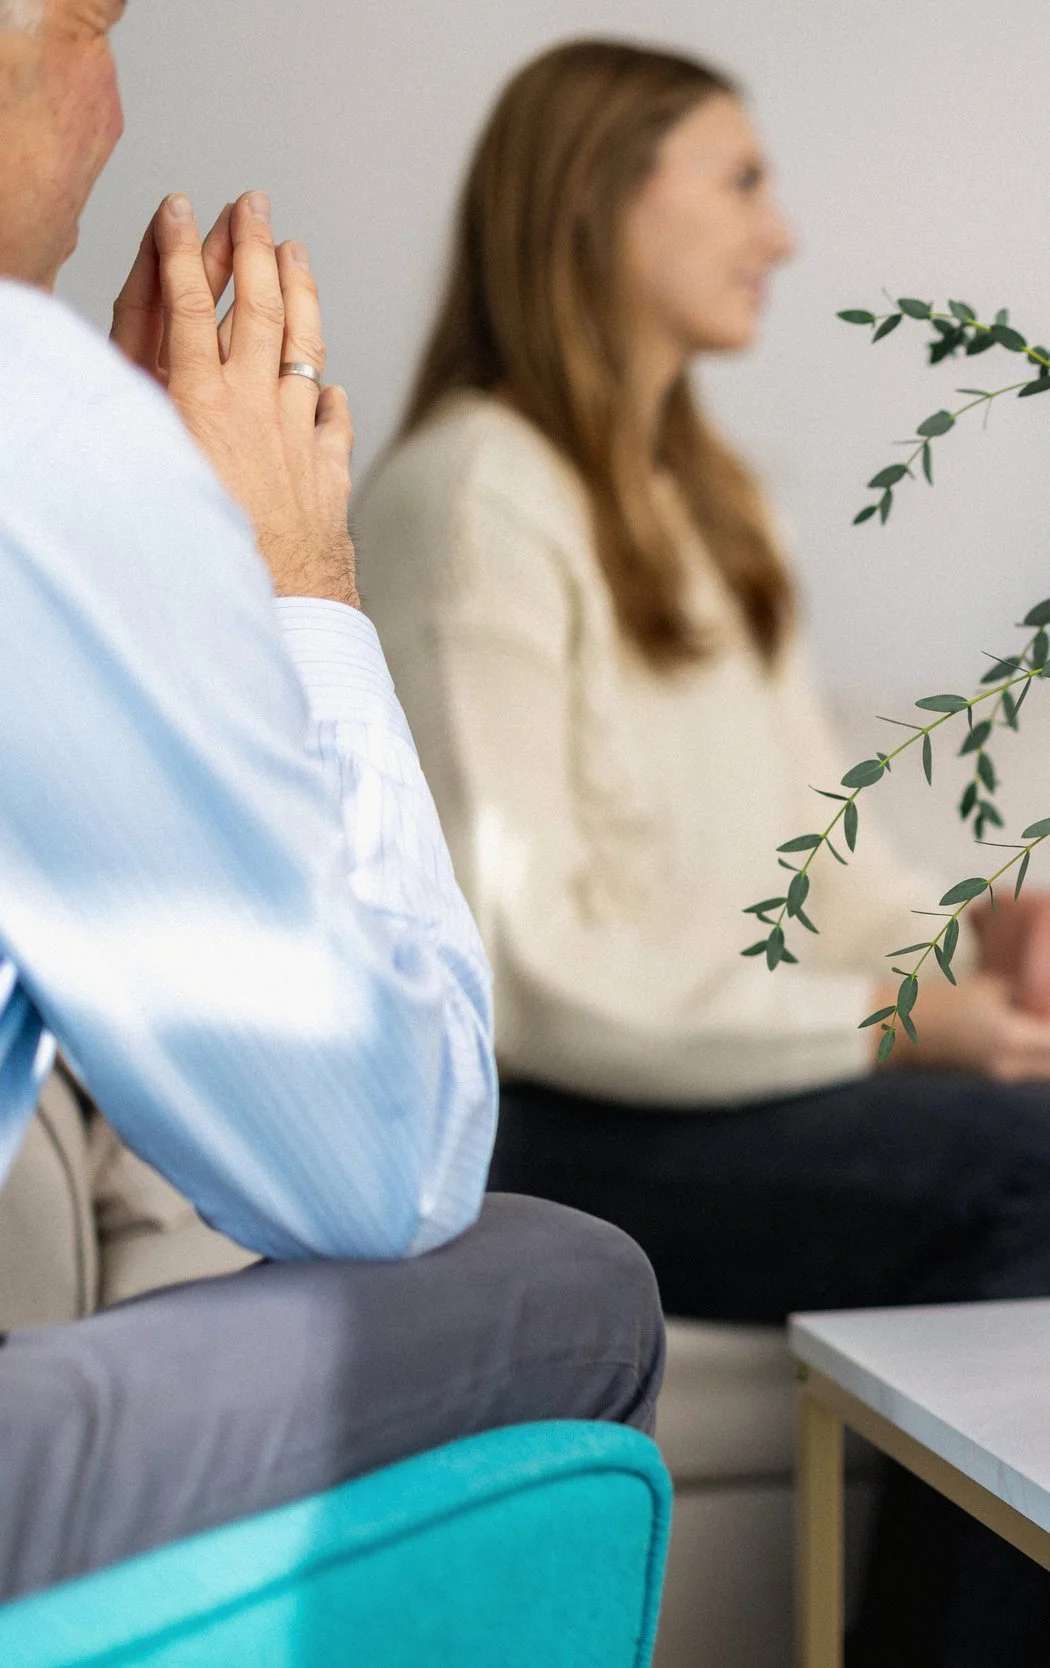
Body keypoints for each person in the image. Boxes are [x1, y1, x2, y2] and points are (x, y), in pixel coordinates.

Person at [351, 39, 1050, 1666]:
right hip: (552, 1113)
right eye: (741, 183)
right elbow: (523, 971)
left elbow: (821, 857)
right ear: (601, 201)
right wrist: (893, 1021)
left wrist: (981, 936)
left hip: (702, 1082)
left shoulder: (708, 499)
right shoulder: (471, 495)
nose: (782, 234)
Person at [0, 0, 662, 1601]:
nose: (113, 104)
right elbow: (388, 1165)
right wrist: (291, 581)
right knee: (572, 1286)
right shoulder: (30, 419)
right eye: (91, 25)